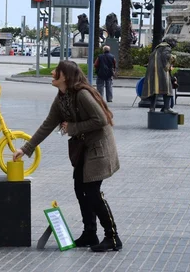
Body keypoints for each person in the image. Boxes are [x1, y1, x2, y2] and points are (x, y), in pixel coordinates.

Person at [13, 61, 121, 252]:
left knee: (93, 192)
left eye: (57, 71)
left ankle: (112, 237)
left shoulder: (82, 94)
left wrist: (73, 128)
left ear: (65, 76)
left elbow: (101, 119)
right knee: (80, 189)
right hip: (83, 149)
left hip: (98, 148)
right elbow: (48, 124)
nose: (53, 72)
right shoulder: (62, 97)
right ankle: (90, 233)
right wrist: (26, 148)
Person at [141, 37, 178, 114]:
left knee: (154, 90)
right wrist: (173, 58)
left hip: (152, 73)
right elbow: (166, 57)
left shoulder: (157, 48)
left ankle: (152, 108)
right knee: (167, 89)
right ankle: (167, 108)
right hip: (161, 72)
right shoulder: (167, 47)